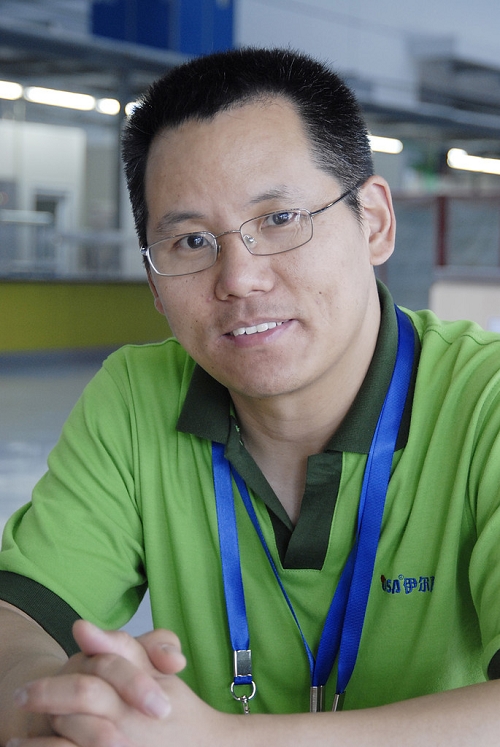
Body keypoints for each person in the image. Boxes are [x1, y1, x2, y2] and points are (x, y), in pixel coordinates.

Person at [1, 46, 500, 746]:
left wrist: (219, 740)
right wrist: (63, 703)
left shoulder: (484, 401)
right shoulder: (136, 399)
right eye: (190, 240)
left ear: (374, 221)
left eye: (280, 218)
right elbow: (18, 618)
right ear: (154, 282)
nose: (238, 277)